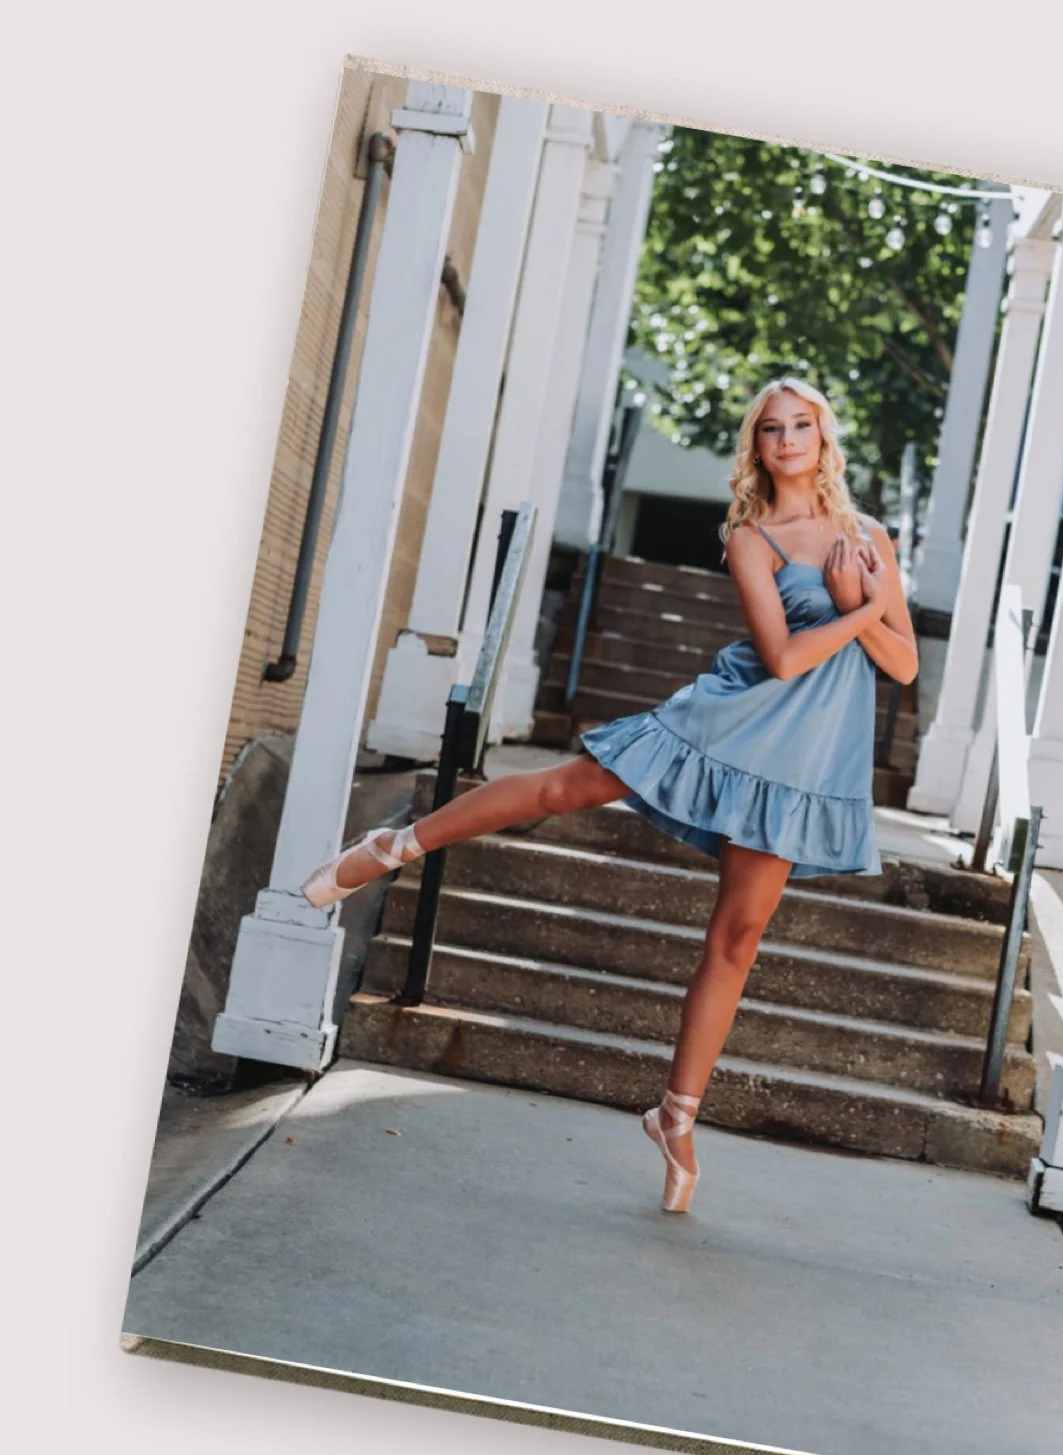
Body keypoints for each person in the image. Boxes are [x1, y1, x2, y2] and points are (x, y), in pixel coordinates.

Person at [297, 376, 918, 1216]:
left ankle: (675, 1116)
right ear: (757, 446)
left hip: (802, 759)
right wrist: (861, 604)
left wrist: (869, 606)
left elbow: (905, 665)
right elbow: (783, 658)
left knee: (738, 937)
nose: (787, 439)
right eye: (771, 428)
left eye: (802, 424)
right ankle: (393, 847)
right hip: (732, 718)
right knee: (567, 785)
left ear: (823, 435)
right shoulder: (752, 536)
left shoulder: (867, 532)